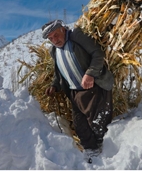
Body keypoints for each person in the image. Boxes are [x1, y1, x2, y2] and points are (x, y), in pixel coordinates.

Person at [42, 19, 114, 161]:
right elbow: (59, 72)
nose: (54, 40)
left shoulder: (77, 36)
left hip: (94, 87)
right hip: (74, 92)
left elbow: (97, 54)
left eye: (56, 35)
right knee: (80, 125)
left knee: (98, 123)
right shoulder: (54, 51)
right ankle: (91, 152)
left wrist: (90, 73)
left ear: (62, 29)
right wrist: (54, 85)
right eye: (50, 38)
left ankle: (107, 155)